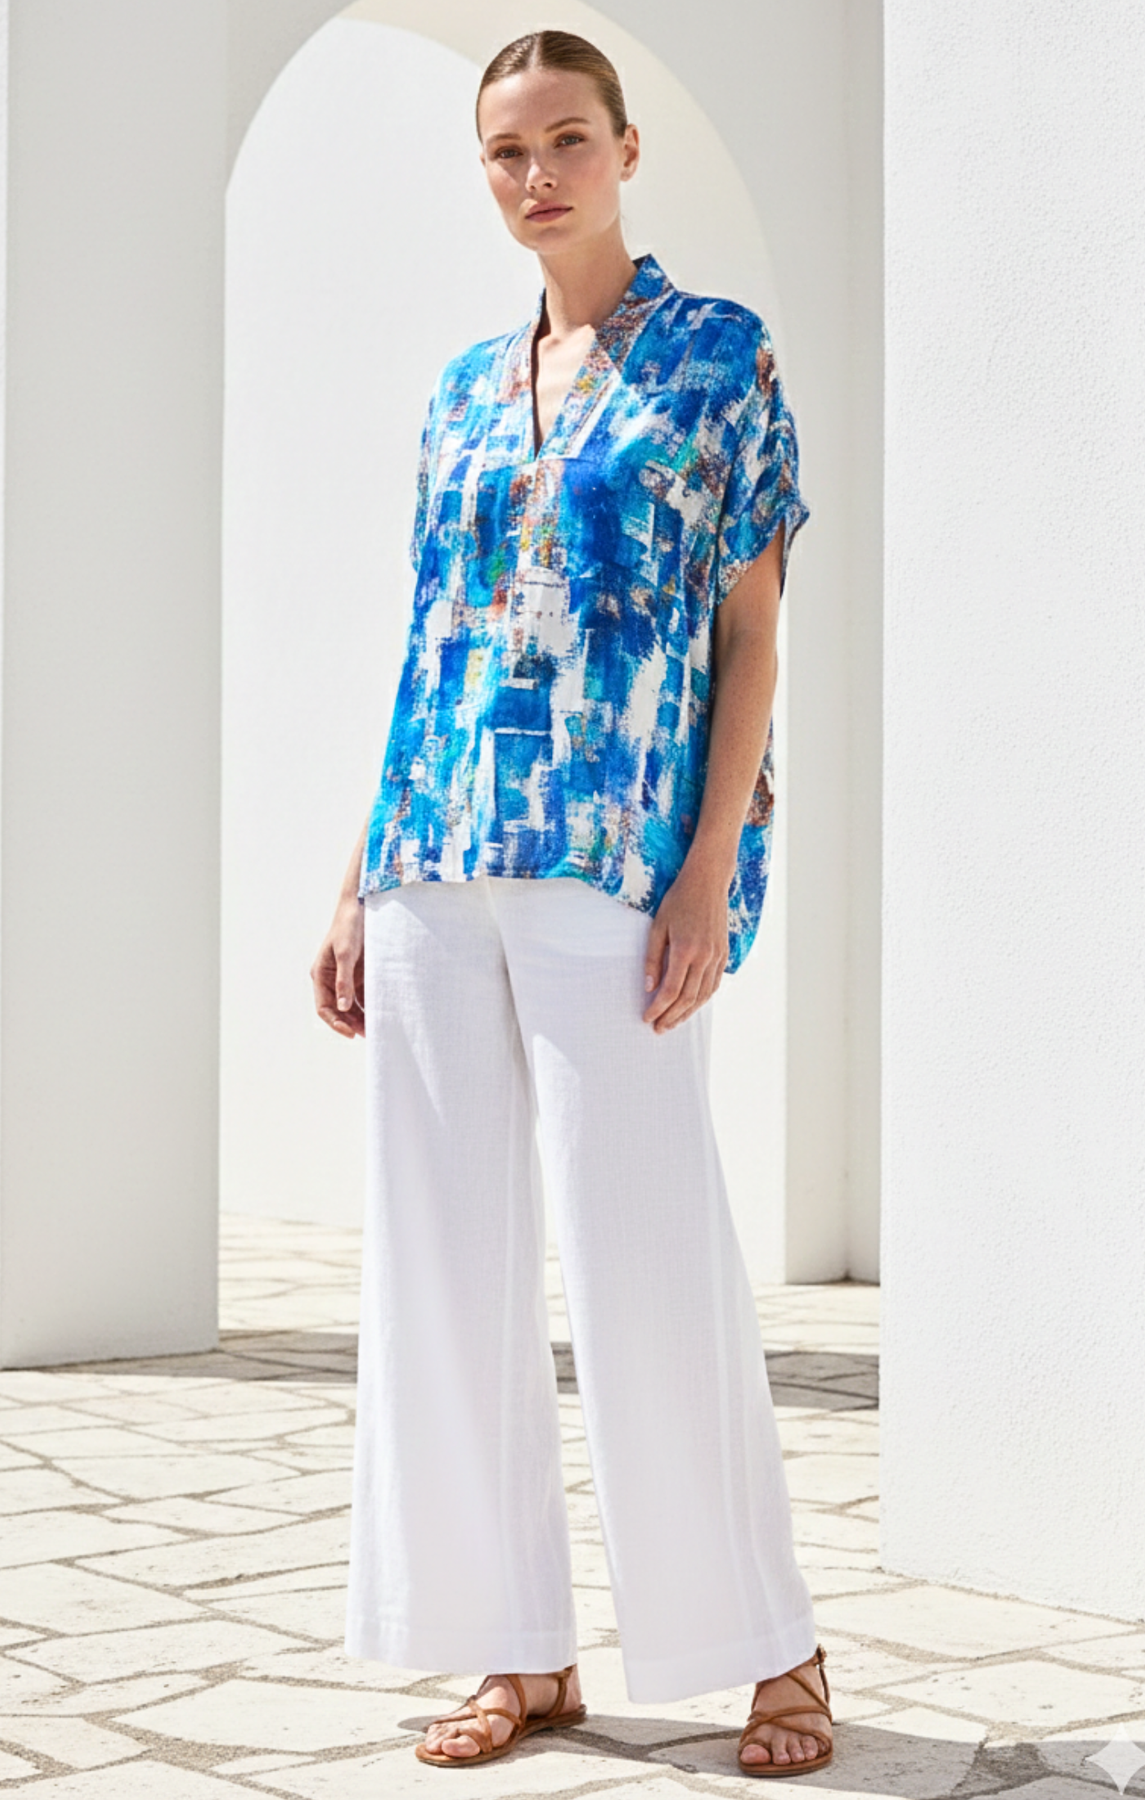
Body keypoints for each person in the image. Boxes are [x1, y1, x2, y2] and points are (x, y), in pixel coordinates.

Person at [310, 28, 834, 1779]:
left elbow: (751, 635)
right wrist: (358, 875)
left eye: (564, 142)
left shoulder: (719, 359)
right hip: (435, 855)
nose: (535, 176)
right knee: (442, 1267)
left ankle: (768, 1645)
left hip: (615, 855)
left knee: (646, 1254)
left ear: (625, 150)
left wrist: (708, 860)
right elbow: (431, 644)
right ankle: (513, 1650)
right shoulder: (464, 387)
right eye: (504, 152)